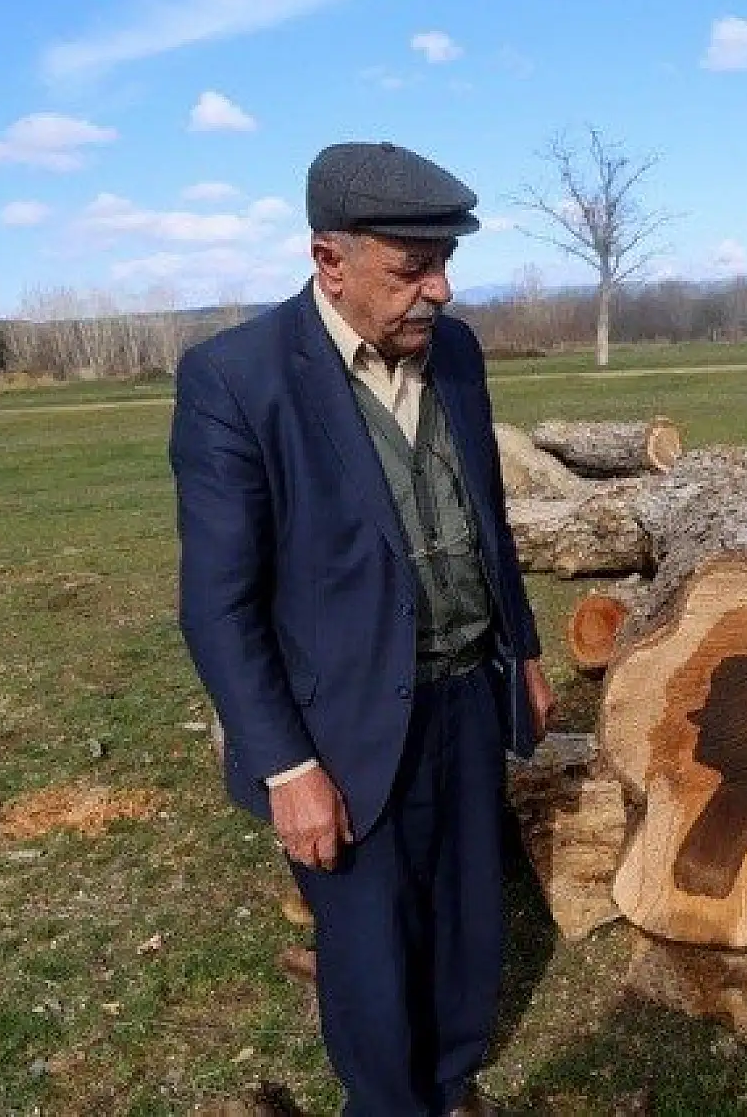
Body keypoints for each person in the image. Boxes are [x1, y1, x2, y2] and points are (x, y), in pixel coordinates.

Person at [170, 140, 554, 1117]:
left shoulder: (454, 353)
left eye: (445, 262)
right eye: (411, 267)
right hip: (335, 726)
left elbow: (485, 517)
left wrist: (528, 653)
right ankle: (388, 1103)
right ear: (328, 260)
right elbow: (217, 603)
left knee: (468, 918)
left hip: (466, 692)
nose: (438, 289)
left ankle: (450, 1078)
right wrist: (285, 766)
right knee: (372, 943)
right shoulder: (238, 380)